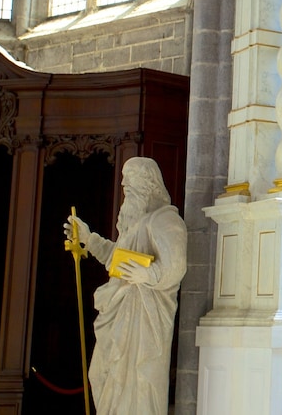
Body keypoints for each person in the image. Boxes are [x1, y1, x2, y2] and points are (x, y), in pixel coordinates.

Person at [63, 156, 187, 415]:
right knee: (101, 373)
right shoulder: (133, 226)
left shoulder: (165, 220)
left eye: (131, 180)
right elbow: (117, 261)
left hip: (144, 321)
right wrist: (89, 239)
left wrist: (147, 275)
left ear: (149, 184)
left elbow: (176, 267)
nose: (125, 185)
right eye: (124, 181)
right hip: (120, 315)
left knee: (137, 382)